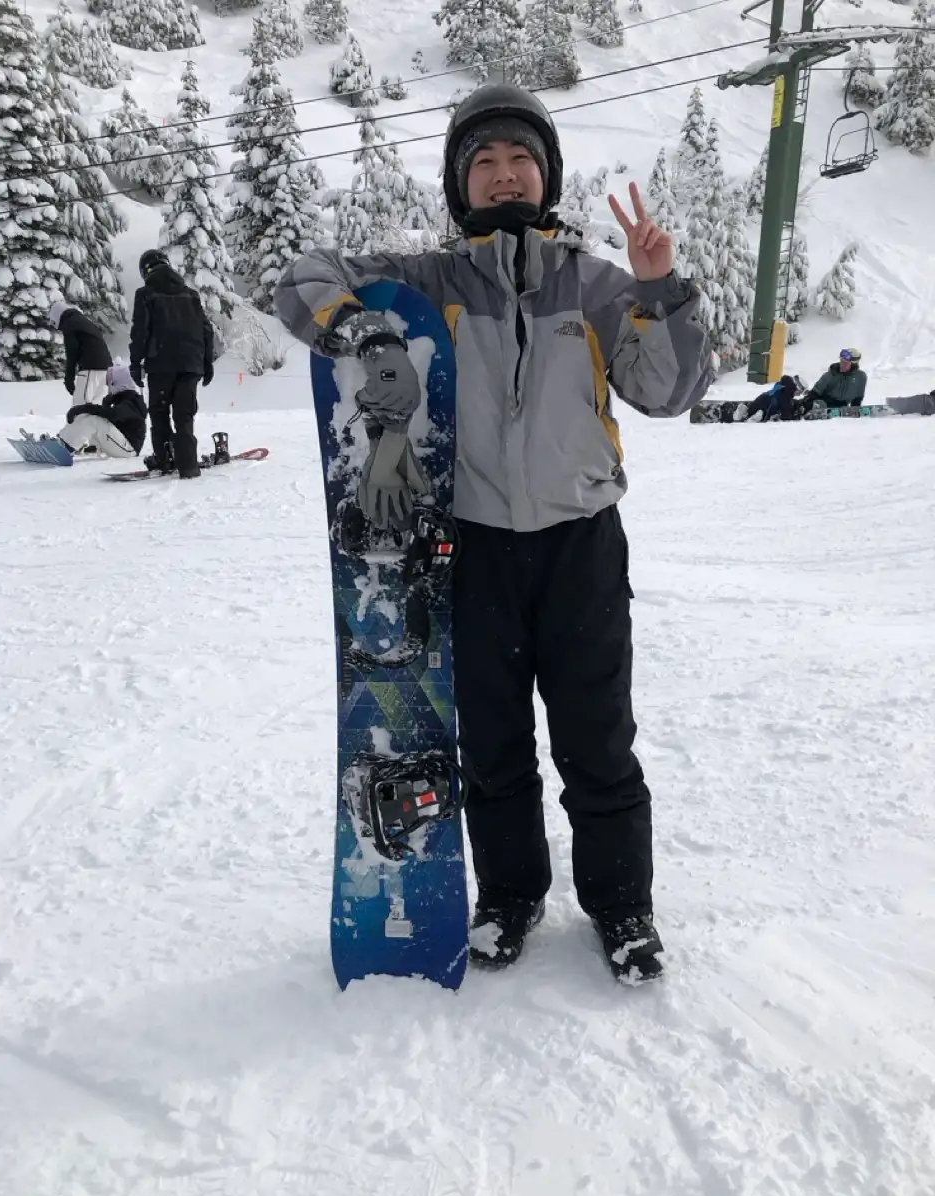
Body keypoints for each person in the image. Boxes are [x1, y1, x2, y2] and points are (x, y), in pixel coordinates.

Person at [275, 83, 714, 984]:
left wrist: (662, 289)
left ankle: (622, 907)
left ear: (545, 175)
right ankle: (510, 896)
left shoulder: (597, 286)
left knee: (597, 738)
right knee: (493, 740)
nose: (505, 175)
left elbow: (668, 392)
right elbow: (301, 275)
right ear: (459, 184)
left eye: (521, 160)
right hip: (470, 552)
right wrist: (361, 327)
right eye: (485, 162)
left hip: (581, 545)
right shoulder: (429, 283)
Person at [128, 249, 214, 479]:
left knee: (159, 413)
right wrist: (207, 363)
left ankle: (165, 460)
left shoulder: (145, 294)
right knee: (184, 415)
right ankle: (188, 466)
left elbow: (140, 332)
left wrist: (135, 363)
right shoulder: (191, 295)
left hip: (161, 363)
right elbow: (207, 331)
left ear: (145, 271)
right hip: (191, 365)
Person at [57, 365, 148, 459]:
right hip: (120, 443)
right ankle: (62, 441)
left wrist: (82, 408)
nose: (107, 386)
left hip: (129, 449)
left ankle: (65, 449)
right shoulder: (119, 398)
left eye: (109, 383)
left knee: (94, 420)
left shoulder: (131, 401)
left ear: (115, 383)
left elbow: (113, 414)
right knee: (91, 416)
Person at [48, 300, 113, 407]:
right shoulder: (83, 321)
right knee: (100, 408)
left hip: (90, 369)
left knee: (80, 408)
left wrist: (69, 378)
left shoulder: (70, 324)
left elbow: (72, 352)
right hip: (106, 369)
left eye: (54, 323)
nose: (58, 328)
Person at [800, 348, 867, 412]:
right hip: (824, 402)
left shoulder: (861, 377)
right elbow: (816, 391)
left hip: (842, 405)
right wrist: (809, 402)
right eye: (841, 362)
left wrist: (855, 409)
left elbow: (858, 397)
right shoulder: (831, 374)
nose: (842, 365)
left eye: (845, 363)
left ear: (853, 365)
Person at [734, 374, 803, 422]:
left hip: (763, 397)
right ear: (796, 389)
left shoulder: (781, 388)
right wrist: (795, 417)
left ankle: (746, 412)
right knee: (763, 413)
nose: (799, 394)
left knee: (751, 411)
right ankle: (755, 417)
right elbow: (786, 414)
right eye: (800, 392)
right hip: (766, 406)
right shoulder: (786, 395)